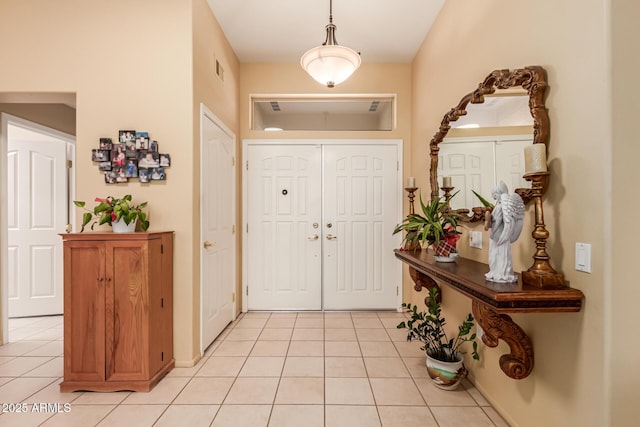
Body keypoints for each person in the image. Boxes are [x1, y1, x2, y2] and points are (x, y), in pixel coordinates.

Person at [485, 181, 525, 283]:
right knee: (498, 253)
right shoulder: (498, 205)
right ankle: (497, 271)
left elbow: (497, 221)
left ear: (500, 194)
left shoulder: (499, 207)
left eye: (494, 194)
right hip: (498, 234)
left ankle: (501, 273)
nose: (493, 196)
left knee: (497, 253)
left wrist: (490, 223)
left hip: (499, 235)